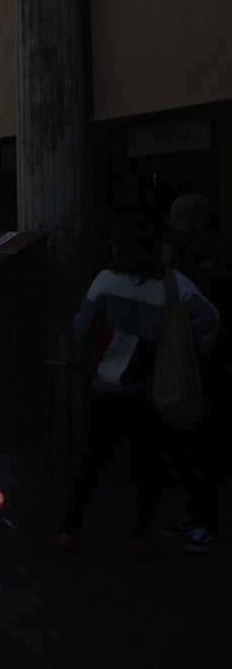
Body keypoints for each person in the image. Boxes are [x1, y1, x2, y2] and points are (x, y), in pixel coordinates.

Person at [56, 212, 218, 558]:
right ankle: (140, 536)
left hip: (105, 385)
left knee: (92, 461)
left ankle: (69, 530)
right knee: (150, 464)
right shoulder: (174, 284)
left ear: (120, 246)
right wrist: (186, 352)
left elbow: (81, 327)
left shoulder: (106, 281)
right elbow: (209, 320)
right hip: (151, 387)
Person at [161, 192, 228, 553]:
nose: (171, 223)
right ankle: (195, 512)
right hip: (189, 365)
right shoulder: (185, 257)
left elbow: (210, 317)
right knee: (192, 443)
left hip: (208, 366)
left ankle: (206, 521)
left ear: (199, 221)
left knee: (206, 444)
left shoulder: (213, 262)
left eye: (179, 216)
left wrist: (198, 352)